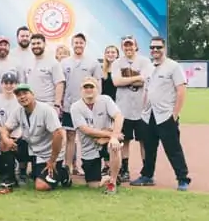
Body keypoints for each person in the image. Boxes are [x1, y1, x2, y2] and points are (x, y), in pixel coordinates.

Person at [131, 37, 192, 191]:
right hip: (149, 115)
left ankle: (182, 178)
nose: (155, 50)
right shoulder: (150, 68)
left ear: (164, 48)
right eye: (152, 47)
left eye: (158, 47)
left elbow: (181, 90)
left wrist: (175, 114)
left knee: (173, 149)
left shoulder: (173, 66)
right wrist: (144, 109)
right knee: (149, 148)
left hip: (166, 115)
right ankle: (147, 175)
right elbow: (147, 90)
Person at [0, 83, 69, 191]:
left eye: (25, 93)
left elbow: (58, 134)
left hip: (49, 153)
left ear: (33, 94)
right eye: (18, 95)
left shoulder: (46, 110)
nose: (22, 97)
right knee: (4, 144)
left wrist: (52, 160)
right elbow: (5, 129)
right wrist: (6, 139)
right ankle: (10, 180)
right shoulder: (19, 111)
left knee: (41, 186)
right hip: (32, 148)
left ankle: (63, 173)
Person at [70, 76, 124, 193]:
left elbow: (118, 116)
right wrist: (109, 135)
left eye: (91, 87)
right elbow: (86, 130)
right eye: (86, 87)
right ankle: (108, 177)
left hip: (106, 143)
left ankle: (112, 182)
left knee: (114, 146)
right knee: (93, 185)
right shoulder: (75, 107)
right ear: (81, 90)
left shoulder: (106, 100)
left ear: (97, 89)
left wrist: (113, 137)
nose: (89, 89)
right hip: (89, 147)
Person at [111, 36, 152, 183]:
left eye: (131, 45)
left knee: (144, 141)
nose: (128, 48)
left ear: (136, 46)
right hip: (123, 108)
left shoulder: (145, 61)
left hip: (142, 109)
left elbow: (146, 81)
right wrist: (137, 78)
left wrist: (126, 80)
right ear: (122, 48)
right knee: (125, 140)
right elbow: (116, 81)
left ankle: (147, 171)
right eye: (125, 46)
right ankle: (125, 169)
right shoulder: (117, 63)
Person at [61, 33, 102, 179]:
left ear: (85, 44)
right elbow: (62, 84)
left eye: (81, 43)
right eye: (76, 42)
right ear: (72, 44)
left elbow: (98, 84)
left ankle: (90, 165)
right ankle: (69, 167)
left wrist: (97, 102)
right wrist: (60, 102)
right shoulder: (64, 63)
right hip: (69, 106)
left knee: (89, 135)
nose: (78, 45)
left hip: (88, 106)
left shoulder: (93, 63)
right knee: (70, 136)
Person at [0, 71, 22, 194]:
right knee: (2, 171)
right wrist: (5, 134)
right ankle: (10, 174)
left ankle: (18, 174)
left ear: (16, 84)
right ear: (1, 84)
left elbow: (22, 124)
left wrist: (12, 137)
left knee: (10, 144)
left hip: (17, 136)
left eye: (12, 83)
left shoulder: (20, 101)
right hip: (0, 140)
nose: (9, 86)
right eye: (6, 83)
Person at [24, 33, 65, 111]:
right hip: (31, 104)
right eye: (33, 44)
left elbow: (59, 84)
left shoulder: (53, 62)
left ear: (44, 44)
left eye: (38, 43)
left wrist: (57, 104)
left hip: (48, 105)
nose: (36, 46)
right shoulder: (28, 62)